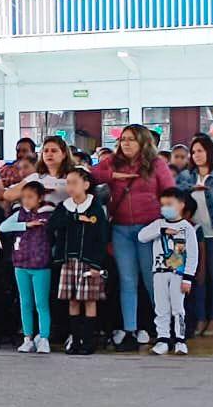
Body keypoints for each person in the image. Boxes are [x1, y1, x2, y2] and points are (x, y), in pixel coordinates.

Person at [92, 124, 175, 351]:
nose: (126, 143)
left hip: (149, 230)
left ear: (143, 142)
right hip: (121, 229)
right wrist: (113, 175)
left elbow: (170, 192)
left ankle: (163, 330)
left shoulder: (157, 164)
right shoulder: (114, 161)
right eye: (123, 139)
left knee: (152, 281)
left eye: (131, 139)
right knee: (128, 281)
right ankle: (130, 329)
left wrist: (167, 224)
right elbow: (90, 174)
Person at [174, 135, 213, 337]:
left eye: (200, 150)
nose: (197, 155)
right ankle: (199, 318)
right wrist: (190, 189)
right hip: (192, 233)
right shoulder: (185, 177)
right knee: (196, 277)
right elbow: (176, 200)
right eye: (194, 152)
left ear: (209, 152)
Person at [49, 168, 111, 355]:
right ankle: (75, 340)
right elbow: (52, 225)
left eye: (74, 182)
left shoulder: (95, 207)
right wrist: (74, 218)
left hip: (88, 261)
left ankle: (88, 341)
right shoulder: (64, 207)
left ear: (86, 185)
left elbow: (102, 236)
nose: (70, 187)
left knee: (90, 300)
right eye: (68, 182)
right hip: (69, 260)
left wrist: (96, 264)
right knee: (73, 300)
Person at [138, 188, 200, 355]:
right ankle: (163, 338)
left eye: (170, 204)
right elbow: (142, 236)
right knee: (161, 307)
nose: (165, 208)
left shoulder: (187, 228)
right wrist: (162, 231)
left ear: (181, 205)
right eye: (163, 205)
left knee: (178, 307)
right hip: (159, 272)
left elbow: (193, 254)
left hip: (178, 274)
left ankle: (180, 339)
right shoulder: (158, 224)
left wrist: (188, 278)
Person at [0, 181, 55, 353]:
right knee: (25, 302)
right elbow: (3, 227)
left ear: (40, 198)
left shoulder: (48, 214)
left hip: (41, 265)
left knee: (41, 302)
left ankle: (44, 337)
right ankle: (27, 337)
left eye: (30, 197)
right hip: (21, 263)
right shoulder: (20, 214)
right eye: (23, 198)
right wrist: (25, 225)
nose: (26, 201)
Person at [2, 135, 73, 207]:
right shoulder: (36, 177)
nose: (49, 154)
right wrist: (35, 191)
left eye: (54, 151)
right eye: (45, 151)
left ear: (64, 154)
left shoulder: (74, 175)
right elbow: (8, 195)